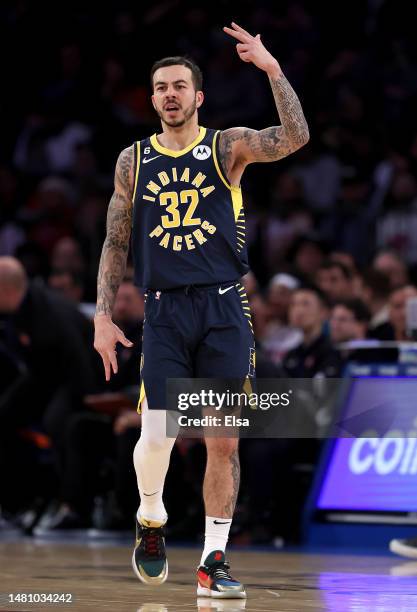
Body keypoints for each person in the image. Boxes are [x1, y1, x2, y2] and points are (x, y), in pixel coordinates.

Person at [93, 22, 309, 599]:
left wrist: (271, 70)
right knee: (158, 432)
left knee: (223, 440)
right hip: (164, 310)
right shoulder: (133, 160)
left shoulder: (226, 145)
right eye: (161, 86)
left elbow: (294, 137)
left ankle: (214, 561)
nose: (170, 94)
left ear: (198, 96)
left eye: (180, 86)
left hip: (223, 307)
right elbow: (116, 242)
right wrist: (102, 315)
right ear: (153, 97)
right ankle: (151, 519)